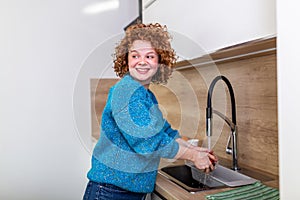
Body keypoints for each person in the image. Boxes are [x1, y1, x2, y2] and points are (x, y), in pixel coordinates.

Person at [83, 23, 217, 200]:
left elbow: (164, 131)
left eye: (150, 56)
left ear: (160, 62)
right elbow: (148, 141)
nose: (142, 61)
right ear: (126, 60)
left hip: (125, 191)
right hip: (111, 192)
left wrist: (194, 150)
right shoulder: (125, 92)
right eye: (135, 55)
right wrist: (192, 156)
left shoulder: (146, 95)